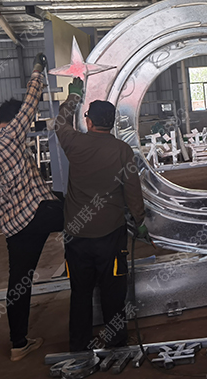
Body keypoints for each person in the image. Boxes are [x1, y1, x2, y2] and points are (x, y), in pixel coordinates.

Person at [54, 77, 146, 352]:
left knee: (80, 293)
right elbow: (133, 190)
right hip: (110, 235)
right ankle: (116, 342)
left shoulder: (75, 143)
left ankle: (79, 345)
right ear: (112, 123)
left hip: (76, 236)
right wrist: (140, 221)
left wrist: (73, 97)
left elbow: (60, 124)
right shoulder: (122, 150)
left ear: (89, 122)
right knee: (113, 291)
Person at [0, 53, 64, 361]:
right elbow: (30, 102)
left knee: (19, 281)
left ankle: (18, 343)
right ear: (13, 119)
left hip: (14, 224)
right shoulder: (10, 137)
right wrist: (38, 69)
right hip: (36, 213)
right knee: (86, 215)